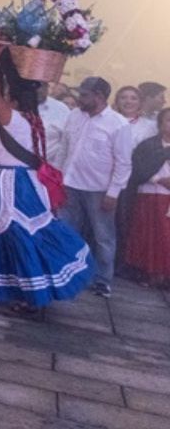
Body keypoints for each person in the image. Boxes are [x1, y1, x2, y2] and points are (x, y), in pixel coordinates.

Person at [0, 49, 93, 310]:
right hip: (29, 183)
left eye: (7, 96)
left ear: (12, 99)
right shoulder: (35, 121)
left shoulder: (12, 118)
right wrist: (7, 67)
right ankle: (24, 291)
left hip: (8, 184)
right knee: (23, 235)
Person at [58, 76, 127, 298]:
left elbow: (124, 162)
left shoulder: (118, 124)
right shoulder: (74, 115)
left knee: (103, 236)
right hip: (69, 183)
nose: (80, 98)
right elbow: (64, 147)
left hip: (99, 189)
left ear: (99, 96)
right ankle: (64, 273)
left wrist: (114, 192)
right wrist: (57, 177)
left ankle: (103, 280)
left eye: (85, 95)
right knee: (66, 230)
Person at [119, 108, 170, 287]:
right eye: (168, 121)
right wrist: (158, 179)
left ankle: (164, 273)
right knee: (147, 233)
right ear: (160, 124)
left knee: (166, 236)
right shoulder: (148, 145)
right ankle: (145, 271)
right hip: (148, 194)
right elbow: (138, 168)